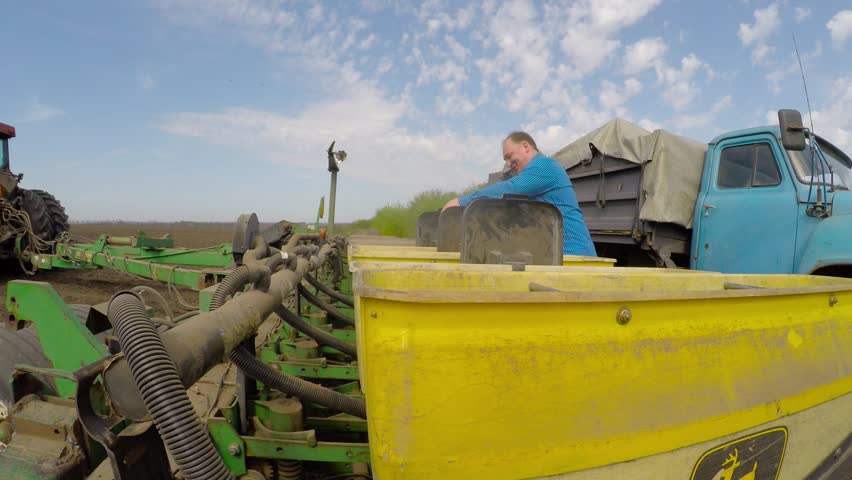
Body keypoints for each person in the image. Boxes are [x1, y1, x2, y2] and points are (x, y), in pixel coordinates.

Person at [443, 132, 597, 256]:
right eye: (505, 159)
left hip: (576, 256)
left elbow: (509, 189)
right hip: (558, 257)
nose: (508, 163)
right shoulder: (535, 174)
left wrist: (461, 202)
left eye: (509, 156)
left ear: (525, 147)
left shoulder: (546, 167)